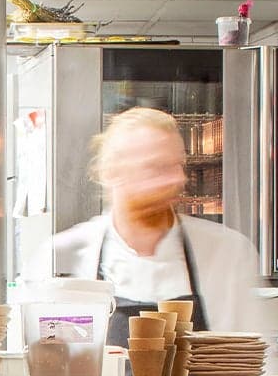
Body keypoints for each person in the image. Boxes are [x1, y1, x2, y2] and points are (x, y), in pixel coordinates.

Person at [43, 105, 264, 338]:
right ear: (111, 173)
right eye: (157, 168)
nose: (177, 178)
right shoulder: (64, 255)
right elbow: (48, 360)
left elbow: (256, 365)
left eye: (179, 165)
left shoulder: (226, 252)